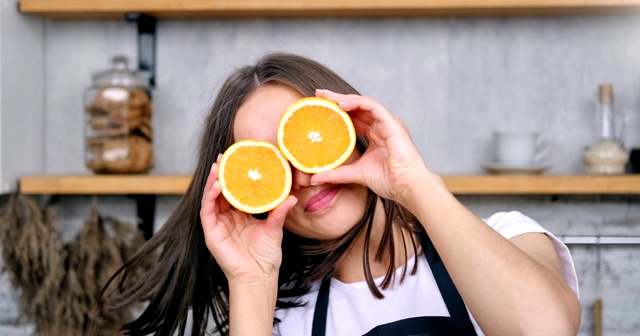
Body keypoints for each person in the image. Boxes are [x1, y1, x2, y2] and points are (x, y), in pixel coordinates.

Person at [101, 52, 581, 335]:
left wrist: (412, 182)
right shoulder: (276, 313)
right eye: (272, 164)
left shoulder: (507, 237)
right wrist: (251, 284)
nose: (304, 177)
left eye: (308, 143)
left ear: (352, 129)